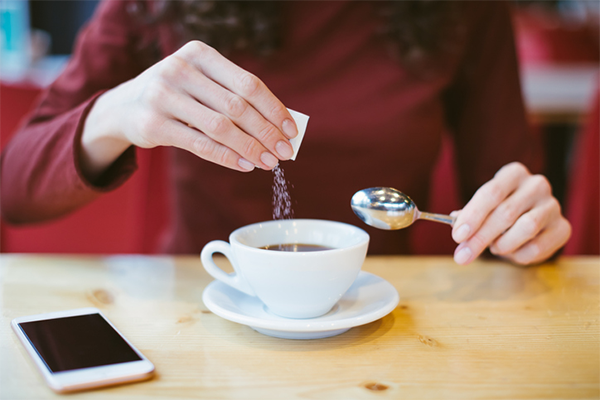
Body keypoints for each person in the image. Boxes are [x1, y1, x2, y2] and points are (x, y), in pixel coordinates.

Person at [0, 0, 571, 265]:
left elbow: (506, 200)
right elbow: (14, 188)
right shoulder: (156, 4)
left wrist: (523, 227)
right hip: (200, 306)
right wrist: (118, 112)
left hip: (382, 315)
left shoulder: (464, 11)